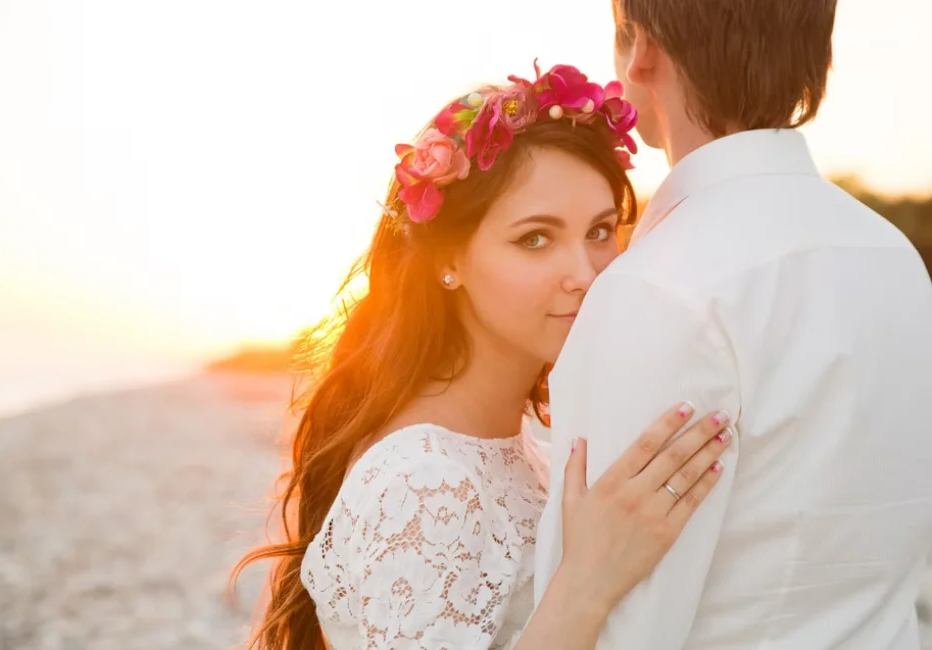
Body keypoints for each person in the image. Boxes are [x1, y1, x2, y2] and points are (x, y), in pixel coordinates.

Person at [232, 63, 738, 650]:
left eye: (600, 231)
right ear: (449, 262)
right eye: (535, 239)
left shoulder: (523, 452)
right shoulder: (424, 480)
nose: (587, 273)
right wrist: (588, 584)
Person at [534, 2, 932, 649]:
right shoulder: (893, 259)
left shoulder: (654, 287)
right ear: (819, 58)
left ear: (642, 53)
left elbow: (613, 624)